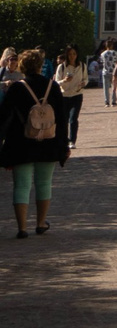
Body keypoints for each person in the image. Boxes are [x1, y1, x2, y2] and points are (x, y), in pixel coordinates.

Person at [2, 49, 69, 238]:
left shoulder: (16, 88)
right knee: (44, 183)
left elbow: (4, 117)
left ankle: (22, 227)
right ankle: (40, 223)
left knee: (21, 186)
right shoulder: (53, 86)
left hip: (20, 143)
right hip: (48, 141)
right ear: (40, 66)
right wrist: (64, 145)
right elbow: (62, 119)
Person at [51, 46, 84, 149]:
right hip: (64, 95)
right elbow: (56, 82)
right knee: (63, 119)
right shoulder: (61, 67)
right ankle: (63, 139)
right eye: (70, 54)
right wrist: (64, 80)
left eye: (74, 54)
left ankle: (72, 140)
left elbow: (86, 79)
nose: (72, 56)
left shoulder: (82, 66)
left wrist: (83, 83)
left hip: (77, 94)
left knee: (73, 118)